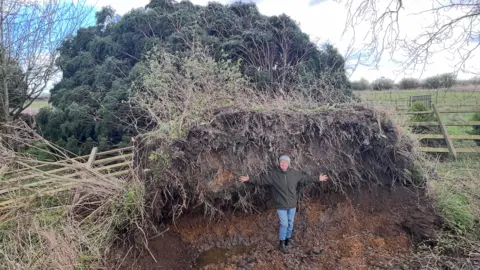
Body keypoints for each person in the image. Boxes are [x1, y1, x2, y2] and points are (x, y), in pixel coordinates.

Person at [239, 155, 328, 253]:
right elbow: (260, 180)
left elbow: (306, 178)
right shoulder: (273, 174)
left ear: (289, 163)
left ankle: (287, 240)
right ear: (279, 163)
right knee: (284, 224)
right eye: (282, 162)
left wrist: (318, 178)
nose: (283, 164)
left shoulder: (295, 174)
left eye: (285, 162)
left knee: (290, 223)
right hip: (281, 205)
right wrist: (249, 179)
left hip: (292, 205)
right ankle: (281, 243)